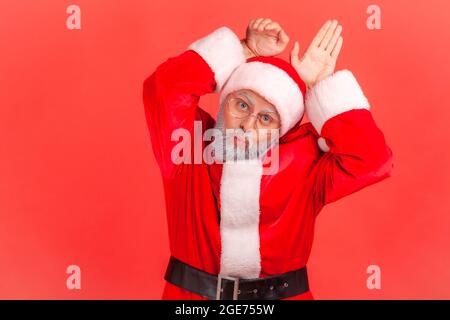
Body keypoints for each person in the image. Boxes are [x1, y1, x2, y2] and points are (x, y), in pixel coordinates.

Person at [142, 18, 393, 300]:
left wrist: (318, 89)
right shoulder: (189, 148)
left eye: (265, 117)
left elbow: (372, 159)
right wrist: (244, 50)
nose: (247, 126)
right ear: (225, 99)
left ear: (282, 130)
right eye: (241, 104)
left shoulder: (304, 163)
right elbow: (164, 88)